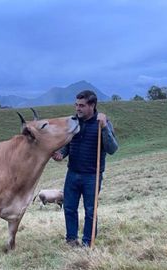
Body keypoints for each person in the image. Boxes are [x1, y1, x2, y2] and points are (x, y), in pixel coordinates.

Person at [52, 90, 118, 247]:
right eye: (76, 105)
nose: (78, 108)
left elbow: (112, 149)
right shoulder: (74, 122)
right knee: (69, 208)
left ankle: (88, 242)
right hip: (72, 173)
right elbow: (68, 145)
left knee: (90, 210)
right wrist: (61, 154)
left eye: (81, 105)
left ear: (92, 105)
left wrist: (103, 128)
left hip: (92, 176)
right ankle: (71, 240)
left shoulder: (102, 123)